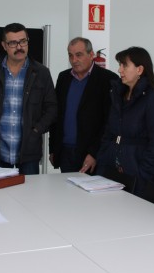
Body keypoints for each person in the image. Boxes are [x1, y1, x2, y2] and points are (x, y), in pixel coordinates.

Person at [0, 23, 57, 175]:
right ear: (4, 45)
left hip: (29, 150)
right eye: (13, 43)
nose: (19, 47)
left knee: (29, 190)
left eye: (23, 41)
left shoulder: (41, 73)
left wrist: (36, 130)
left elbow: (51, 107)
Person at [96, 46, 154, 197]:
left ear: (139, 69)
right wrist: (103, 161)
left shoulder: (153, 98)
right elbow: (108, 133)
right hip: (112, 172)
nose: (119, 70)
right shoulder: (118, 95)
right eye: (119, 65)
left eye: (124, 65)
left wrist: (142, 174)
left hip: (140, 178)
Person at [50, 37, 118, 173]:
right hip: (65, 151)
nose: (74, 60)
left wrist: (94, 153)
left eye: (79, 55)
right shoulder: (63, 78)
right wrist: (53, 148)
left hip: (91, 154)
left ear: (91, 54)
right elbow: (56, 115)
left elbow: (110, 122)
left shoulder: (108, 79)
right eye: (70, 55)